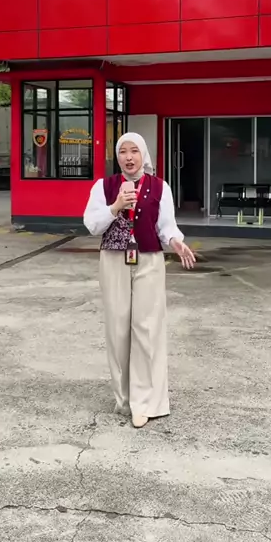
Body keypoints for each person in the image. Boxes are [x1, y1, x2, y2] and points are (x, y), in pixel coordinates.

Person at [83, 132, 195, 429]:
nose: (129, 157)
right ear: (117, 156)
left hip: (148, 259)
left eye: (134, 151)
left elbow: (166, 225)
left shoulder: (160, 187)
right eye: (123, 151)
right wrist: (115, 206)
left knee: (147, 329)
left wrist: (176, 241)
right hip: (113, 261)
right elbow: (92, 225)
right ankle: (124, 399)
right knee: (118, 329)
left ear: (143, 155)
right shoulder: (104, 187)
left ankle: (145, 402)